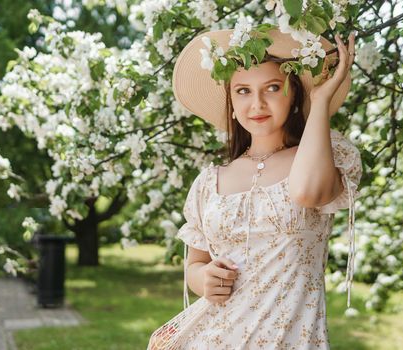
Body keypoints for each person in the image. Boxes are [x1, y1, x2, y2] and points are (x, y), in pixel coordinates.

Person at [148, 26, 362, 349]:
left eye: (273, 88)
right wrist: (203, 279)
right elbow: (195, 264)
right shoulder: (210, 181)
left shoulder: (323, 157)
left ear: (293, 96)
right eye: (243, 91)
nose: (257, 103)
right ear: (231, 102)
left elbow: (308, 193)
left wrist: (319, 101)